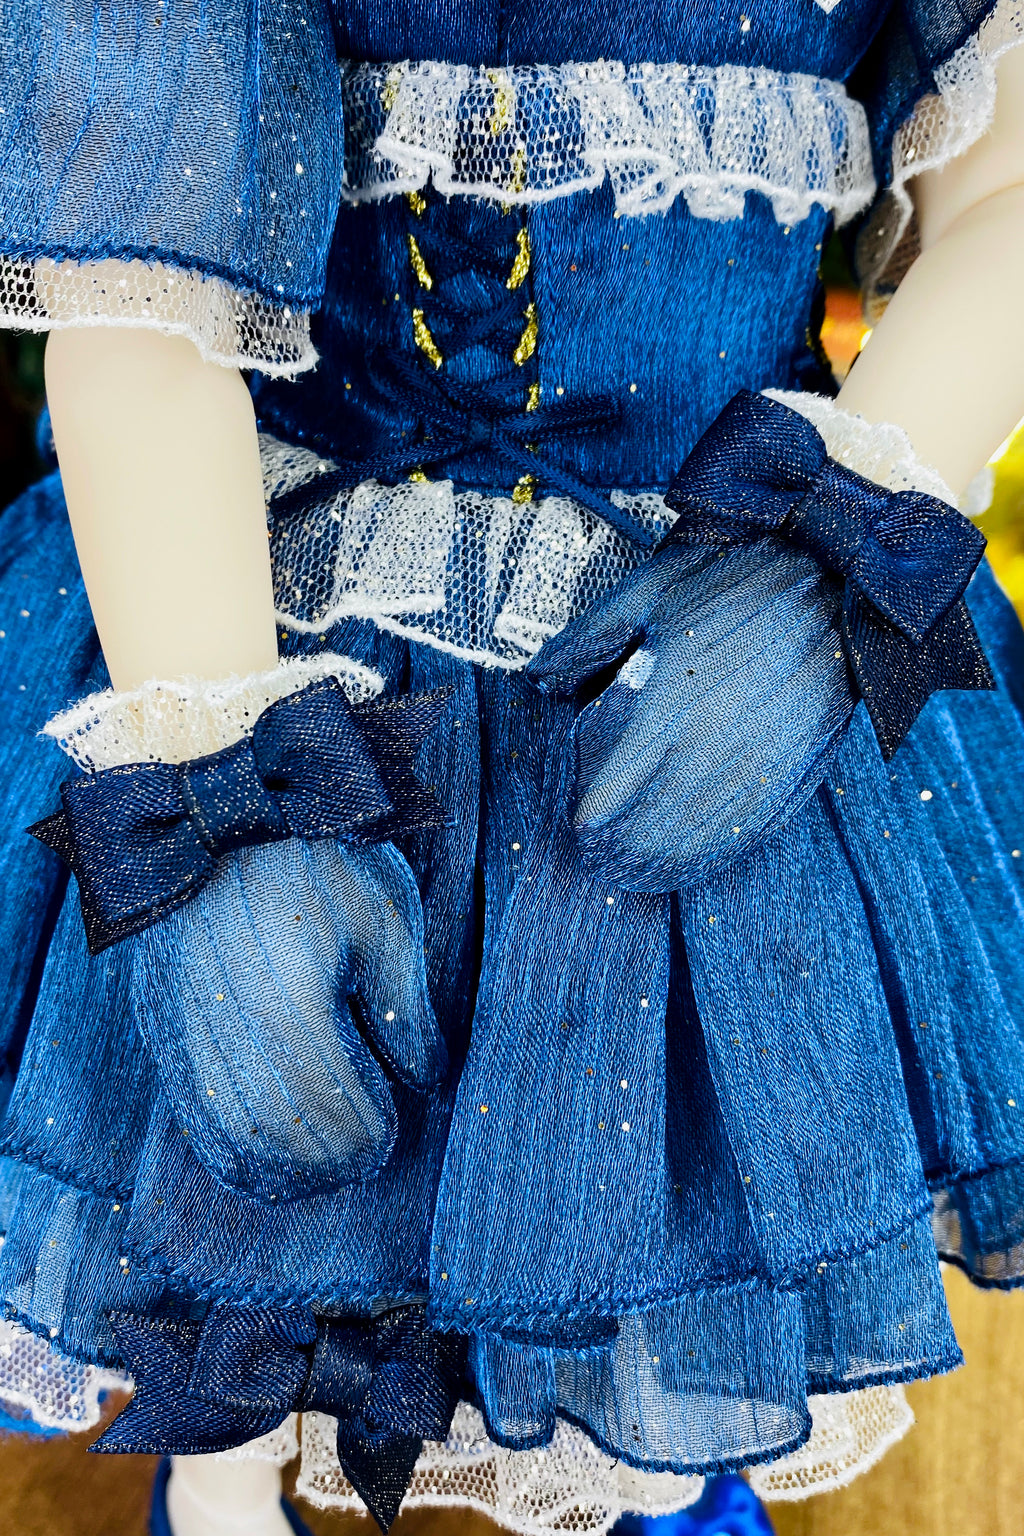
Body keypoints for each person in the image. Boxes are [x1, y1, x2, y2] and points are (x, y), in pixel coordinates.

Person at [0, 3, 1023, 1533]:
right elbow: (138, 280)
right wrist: (215, 793)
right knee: (240, 1329)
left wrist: (833, 558)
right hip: (264, 645)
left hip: (722, 670)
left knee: (680, 1326)